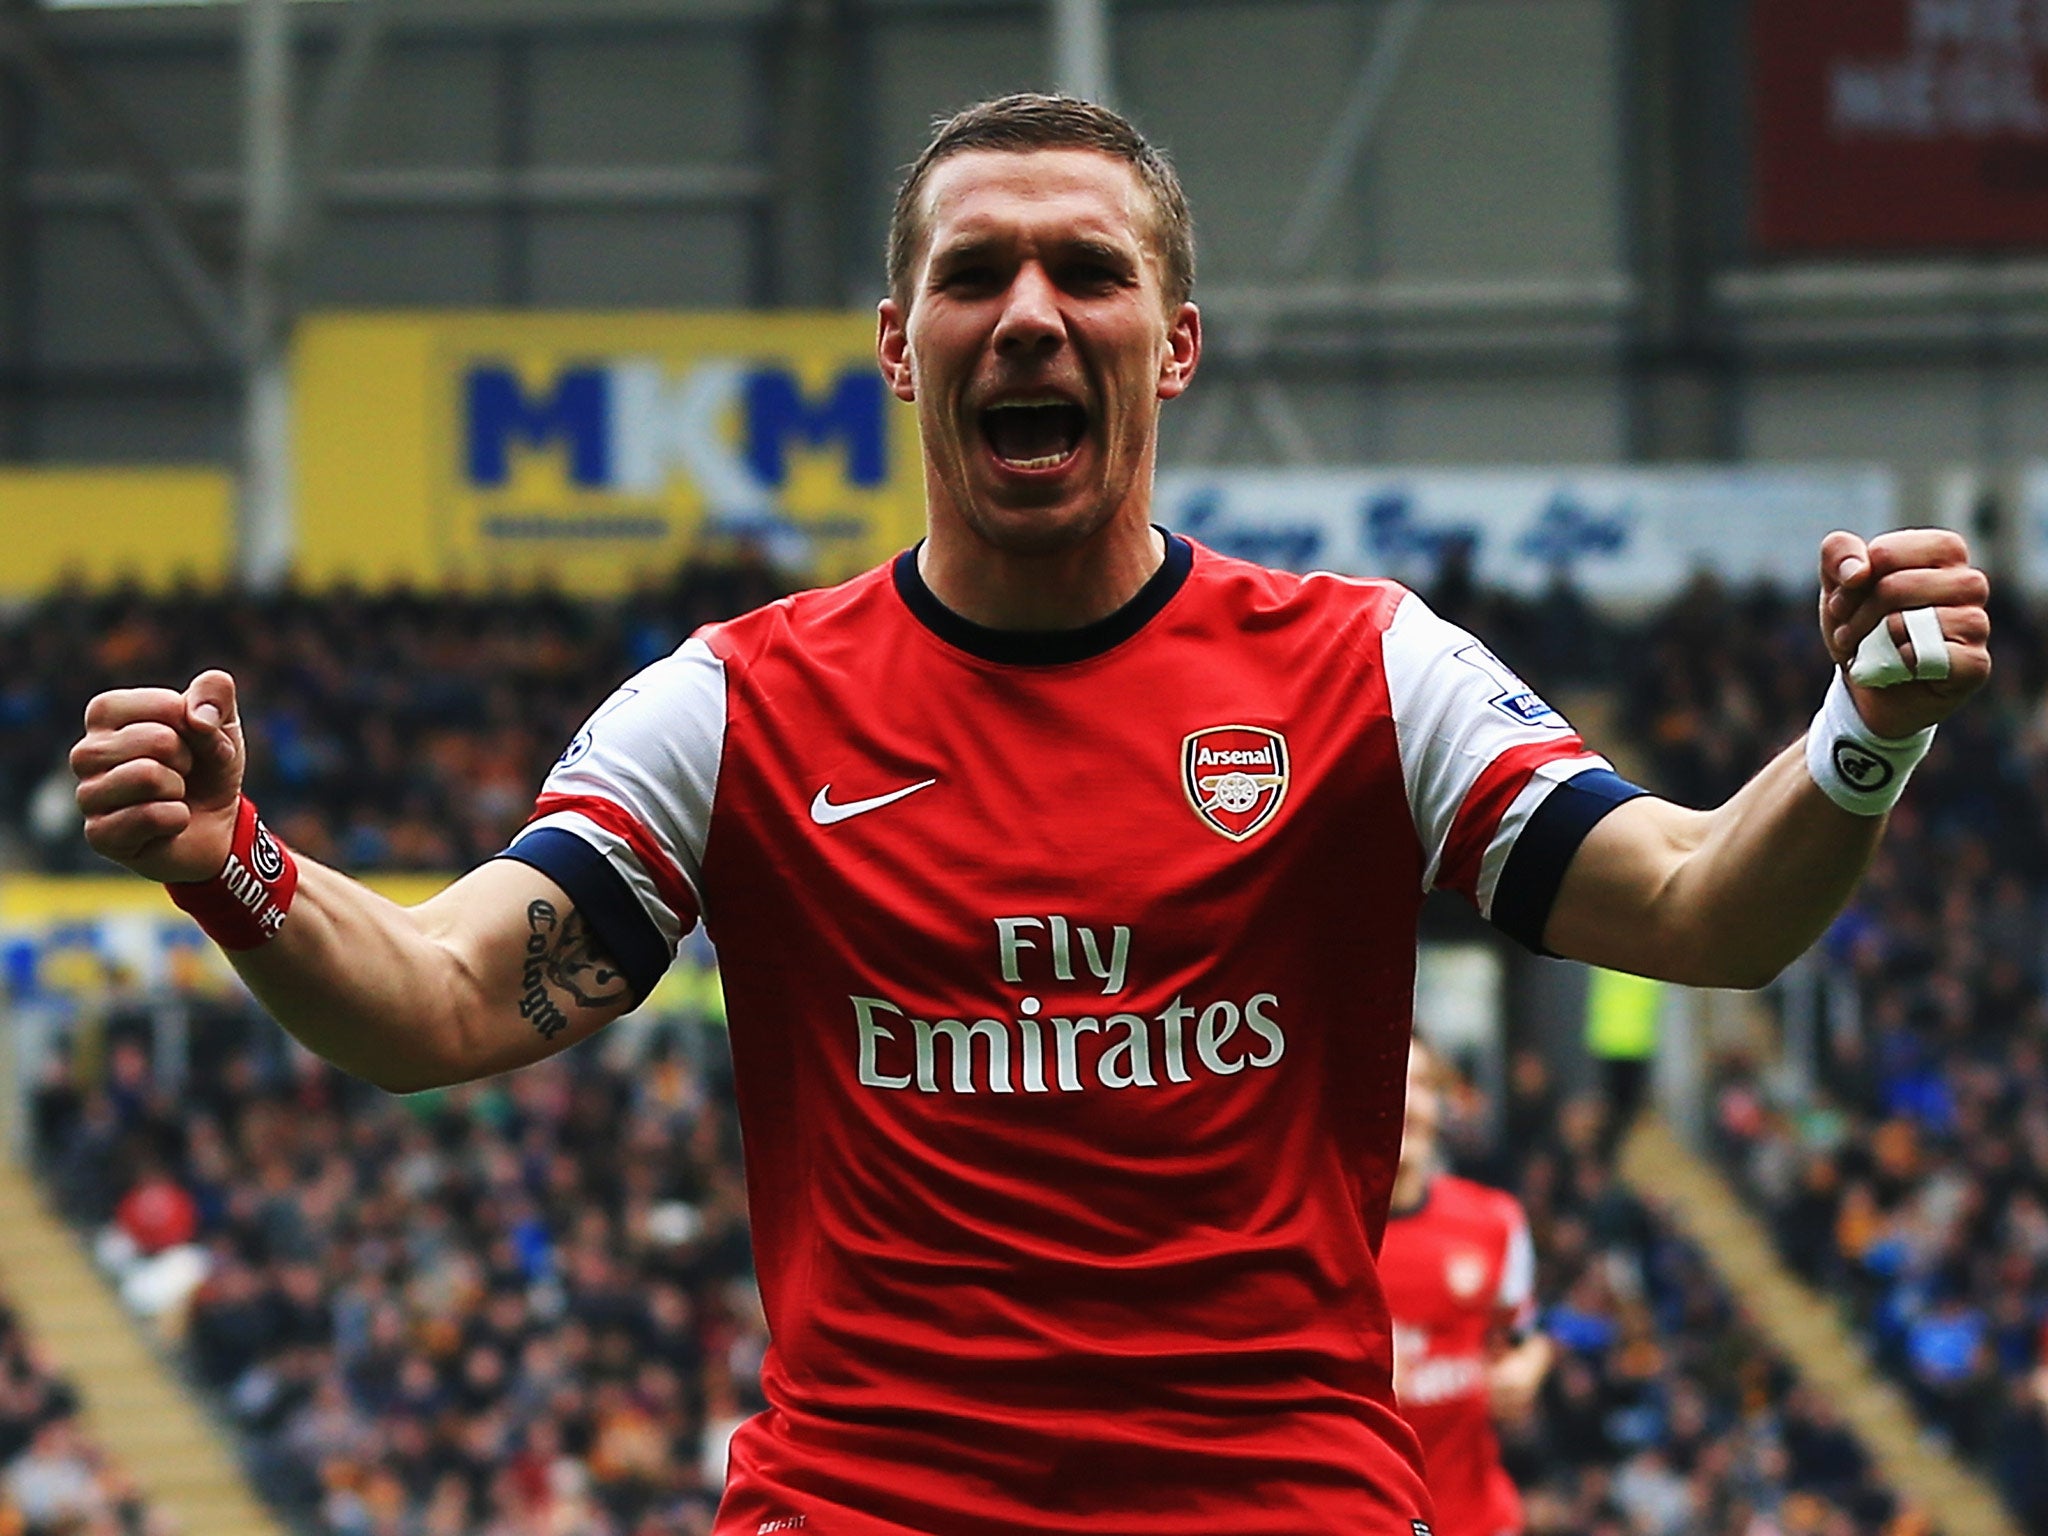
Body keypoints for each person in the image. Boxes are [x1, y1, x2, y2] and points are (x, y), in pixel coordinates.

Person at [68, 93, 1992, 1536]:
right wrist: (231, 863)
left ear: (1175, 341)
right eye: (972, 273)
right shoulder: (732, 709)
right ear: (899, 345)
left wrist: (1861, 725)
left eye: (1087, 270)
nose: (1028, 312)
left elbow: (1694, 909)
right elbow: (441, 1000)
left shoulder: (1359, 671)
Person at [1381, 1040, 1553, 1536]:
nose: (1408, 1103)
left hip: (1478, 1519)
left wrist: (1528, 1366)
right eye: (1393, 1081)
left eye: (1423, 1086)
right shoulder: (1319, 1233)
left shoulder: (1493, 1222)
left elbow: (1524, 1335)